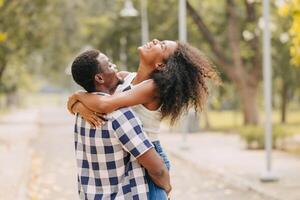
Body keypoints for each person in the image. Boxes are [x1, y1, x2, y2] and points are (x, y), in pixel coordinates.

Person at [68, 39, 219, 199]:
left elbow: (105, 104)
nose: (155, 40)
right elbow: (99, 97)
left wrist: (78, 96)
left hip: (150, 155)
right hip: (132, 154)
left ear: (160, 65)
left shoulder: (153, 88)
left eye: (162, 46)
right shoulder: (124, 78)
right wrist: (78, 106)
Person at [70, 49, 171, 199]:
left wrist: (78, 97)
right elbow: (157, 170)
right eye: (110, 66)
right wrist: (167, 188)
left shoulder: (82, 112)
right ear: (99, 78)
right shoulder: (120, 115)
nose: (115, 66)